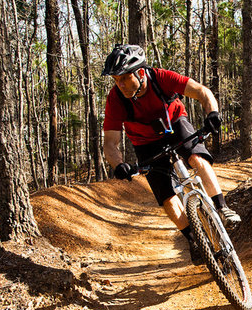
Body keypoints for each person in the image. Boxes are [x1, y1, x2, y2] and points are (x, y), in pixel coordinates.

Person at [101, 44, 240, 265]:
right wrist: (118, 164)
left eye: (125, 78)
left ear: (140, 72)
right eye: (116, 80)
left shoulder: (160, 78)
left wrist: (212, 113)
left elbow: (202, 92)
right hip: (145, 143)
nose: (121, 85)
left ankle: (222, 207)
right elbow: (110, 143)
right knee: (166, 196)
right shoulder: (116, 99)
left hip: (174, 124)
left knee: (196, 159)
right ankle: (195, 240)